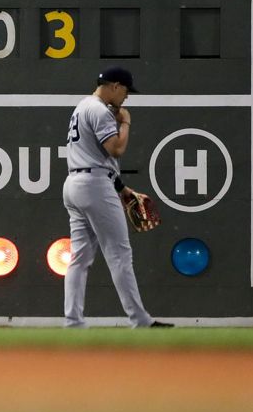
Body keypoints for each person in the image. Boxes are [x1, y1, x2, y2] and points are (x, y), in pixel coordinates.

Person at [62, 67, 172, 328]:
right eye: (125, 90)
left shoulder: (81, 107)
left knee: (79, 259)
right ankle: (140, 319)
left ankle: (73, 322)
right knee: (120, 255)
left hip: (75, 184)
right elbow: (116, 149)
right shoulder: (100, 110)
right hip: (94, 185)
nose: (126, 97)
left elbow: (98, 158)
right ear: (114, 86)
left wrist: (121, 189)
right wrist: (126, 122)